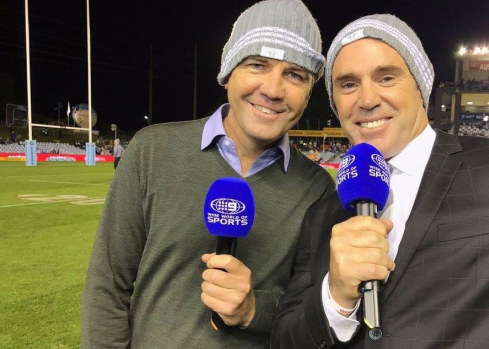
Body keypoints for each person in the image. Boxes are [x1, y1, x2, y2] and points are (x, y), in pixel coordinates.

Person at [271, 14, 489, 348]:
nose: (367, 99)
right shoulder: (323, 214)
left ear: (421, 86)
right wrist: (335, 299)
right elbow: (285, 339)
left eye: (387, 77)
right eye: (348, 84)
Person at [81, 1, 334, 348]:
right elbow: (107, 286)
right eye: (257, 65)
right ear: (229, 72)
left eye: (295, 75)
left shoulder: (318, 188)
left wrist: (252, 309)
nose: (274, 90)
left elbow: (310, 311)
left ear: (309, 91)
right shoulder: (152, 151)